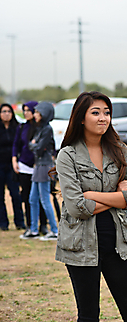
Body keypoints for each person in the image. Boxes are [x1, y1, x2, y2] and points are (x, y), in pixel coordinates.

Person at [54, 91, 127, 322]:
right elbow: (77, 206)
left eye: (107, 113)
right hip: (80, 247)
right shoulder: (67, 155)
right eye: (95, 112)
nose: (103, 118)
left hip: (116, 244)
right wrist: (118, 197)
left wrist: (94, 195)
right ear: (81, 118)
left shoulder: (119, 150)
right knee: (88, 318)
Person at [20, 101, 58, 240]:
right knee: (32, 199)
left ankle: (54, 230)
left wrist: (34, 144)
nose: (34, 115)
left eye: (37, 112)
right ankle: (34, 230)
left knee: (44, 199)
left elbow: (39, 147)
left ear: (44, 114)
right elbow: (33, 144)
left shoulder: (47, 129)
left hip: (44, 166)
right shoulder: (39, 128)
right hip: (38, 166)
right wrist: (33, 144)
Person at [12, 101, 48, 235]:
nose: (26, 113)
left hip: (38, 166)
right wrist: (14, 160)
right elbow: (16, 145)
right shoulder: (22, 127)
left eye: (29, 110)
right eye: (24, 110)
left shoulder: (42, 128)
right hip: (24, 166)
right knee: (27, 197)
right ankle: (30, 225)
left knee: (41, 197)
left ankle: (43, 224)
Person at [0, 103, 25, 230]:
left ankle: (20, 222)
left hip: (12, 166)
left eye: (9, 111)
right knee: (0, 196)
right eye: (4, 111)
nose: (6, 114)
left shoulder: (17, 128)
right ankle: (3, 223)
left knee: (15, 194)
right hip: (0, 165)